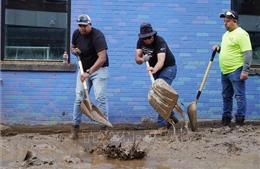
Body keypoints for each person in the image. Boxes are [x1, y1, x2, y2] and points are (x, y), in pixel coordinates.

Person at [69, 14, 109, 140]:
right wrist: (75, 51)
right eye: (80, 26)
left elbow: (102, 58)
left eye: (84, 26)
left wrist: (89, 72)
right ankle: (75, 128)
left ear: (90, 24)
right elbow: (73, 47)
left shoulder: (98, 36)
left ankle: (103, 129)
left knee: (99, 97)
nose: (82, 28)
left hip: (99, 70)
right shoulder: (76, 34)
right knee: (79, 98)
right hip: (83, 69)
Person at [135, 23, 179, 136]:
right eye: (145, 38)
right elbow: (137, 58)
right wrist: (143, 59)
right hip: (155, 70)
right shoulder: (141, 42)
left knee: (160, 94)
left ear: (153, 35)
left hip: (168, 68)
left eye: (149, 37)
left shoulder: (160, 42)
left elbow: (161, 61)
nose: (147, 40)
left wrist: (154, 69)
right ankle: (172, 116)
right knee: (158, 94)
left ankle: (162, 126)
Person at [212, 10, 252, 128]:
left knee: (239, 96)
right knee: (226, 96)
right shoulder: (226, 35)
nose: (225, 23)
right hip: (225, 71)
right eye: (224, 21)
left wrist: (245, 70)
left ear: (235, 21)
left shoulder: (241, 34)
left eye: (228, 21)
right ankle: (226, 120)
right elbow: (228, 50)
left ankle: (239, 121)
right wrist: (218, 48)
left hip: (236, 70)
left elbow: (248, 53)